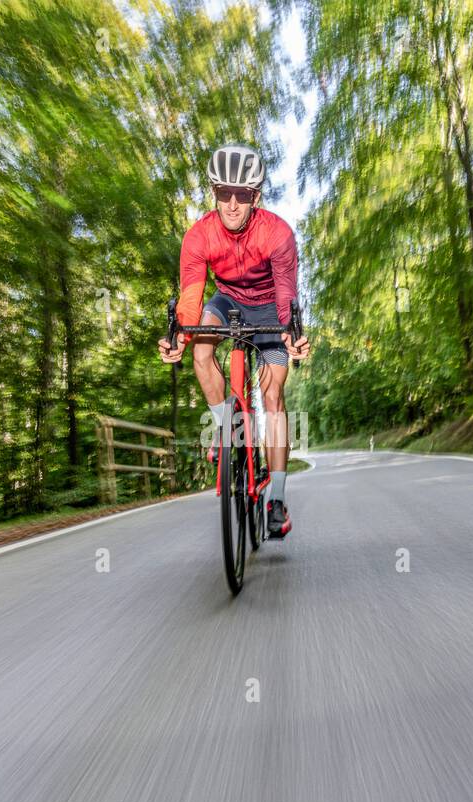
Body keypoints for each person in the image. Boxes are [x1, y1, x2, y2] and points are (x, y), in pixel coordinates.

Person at [157, 144, 310, 539]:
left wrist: (290, 335)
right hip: (226, 302)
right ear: (214, 192)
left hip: (267, 309)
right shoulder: (199, 235)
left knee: (273, 393)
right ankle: (229, 427)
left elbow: (285, 295)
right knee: (201, 352)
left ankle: (276, 500)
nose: (231, 203)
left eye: (242, 194)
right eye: (223, 192)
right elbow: (192, 297)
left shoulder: (277, 234)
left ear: (256, 197)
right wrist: (179, 336)